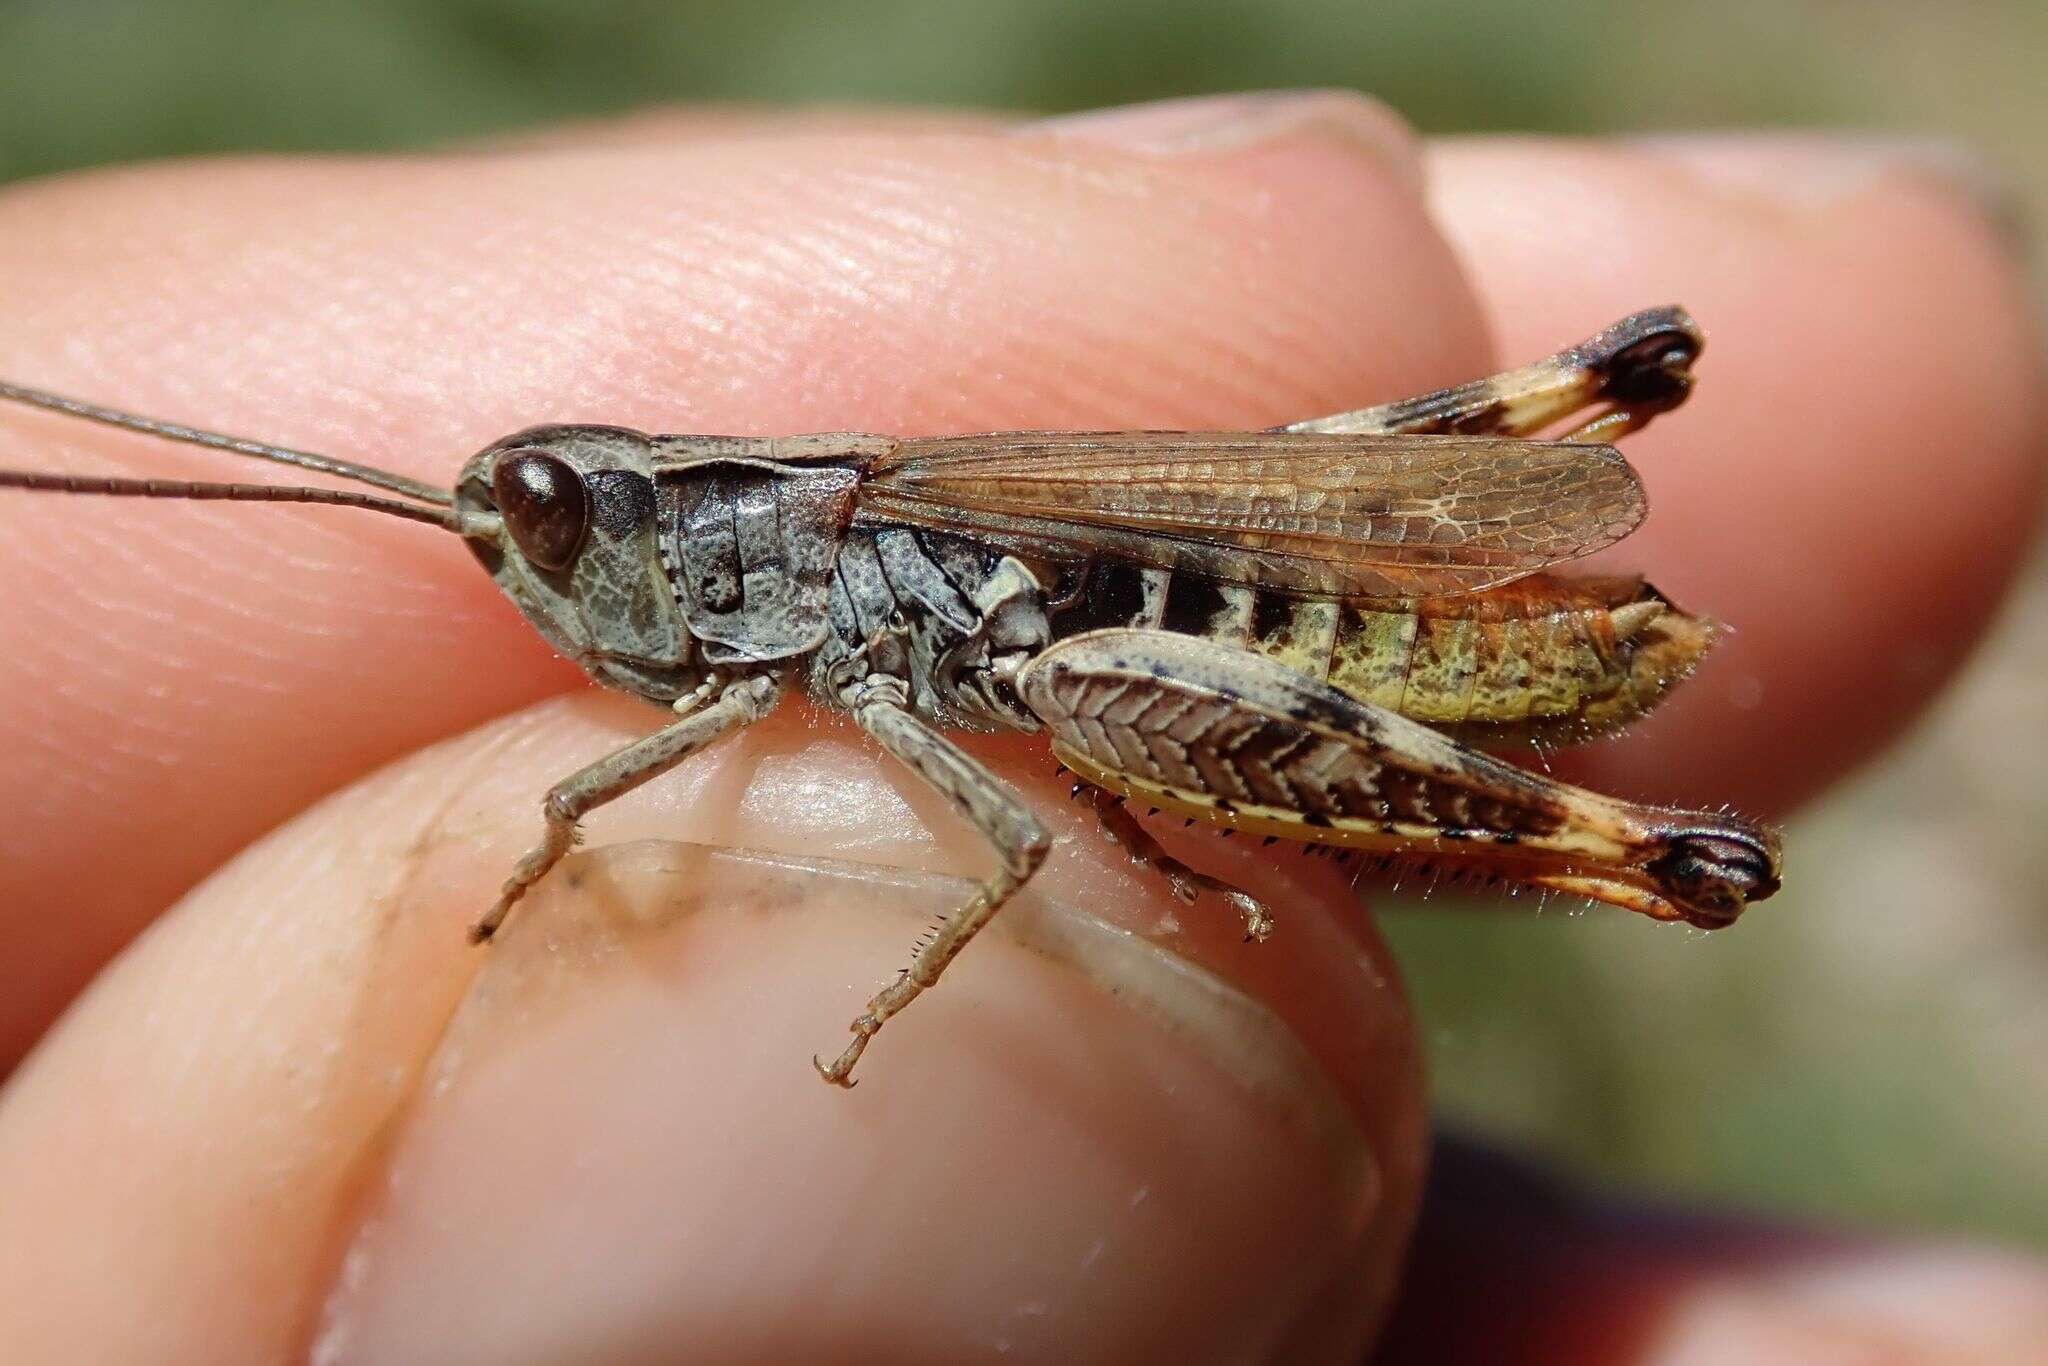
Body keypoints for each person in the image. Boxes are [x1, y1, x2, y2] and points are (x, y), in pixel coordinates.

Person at [0, 93, 2041, 1362]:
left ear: (661, 508)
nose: (538, 567)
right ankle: (1627, 847)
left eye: (548, 517)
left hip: (1284, 634)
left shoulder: (845, 549)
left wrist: (646, 870)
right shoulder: (771, 620)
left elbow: (995, 828)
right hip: (1115, 656)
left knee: (1112, 688)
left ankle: (1635, 849)